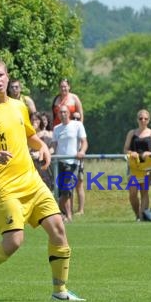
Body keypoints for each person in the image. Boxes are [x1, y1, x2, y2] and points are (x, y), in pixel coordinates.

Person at [0, 58, 85, 302]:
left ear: (7, 76)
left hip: (31, 181)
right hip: (4, 187)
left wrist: (43, 148)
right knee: (14, 241)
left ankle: (60, 292)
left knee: (58, 229)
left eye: (1, 75)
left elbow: (29, 135)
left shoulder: (19, 106)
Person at [51, 78, 85, 215]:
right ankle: (67, 213)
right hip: (61, 140)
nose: (63, 89)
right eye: (61, 86)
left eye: (65, 86)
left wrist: (80, 145)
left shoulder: (74, 98)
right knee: (64, 186)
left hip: (73, 143)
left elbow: (81, 115)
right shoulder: (56, 100)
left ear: (69, 87)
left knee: (78, 181)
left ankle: (80, 209)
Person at [123, 109, 151, 221]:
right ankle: (137, 214)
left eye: (145, 118)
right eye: (140, 118)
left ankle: (142, 216)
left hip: (147, 165)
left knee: (144, 191)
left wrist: (150, 153)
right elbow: (125, 149)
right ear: (137, 120)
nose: (143, 120)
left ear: (148, 120)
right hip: (134, 165)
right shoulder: (132, 133)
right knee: (133, 192)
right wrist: (131, 152)